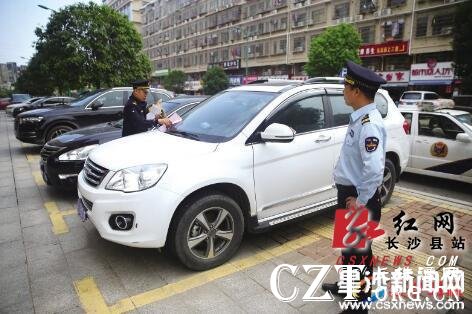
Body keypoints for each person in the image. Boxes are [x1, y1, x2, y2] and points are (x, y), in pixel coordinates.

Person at [322, 61, 387, 312]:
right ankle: (348, 286)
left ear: (356, 91)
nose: (344, 90)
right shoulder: (361, 117)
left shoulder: (369, 122)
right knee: (351, 249)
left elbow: (373, 169)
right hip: (351, 193)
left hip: (358, 197)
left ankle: (358, 304)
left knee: (358, 251)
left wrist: (359, 202)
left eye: (346, 86)